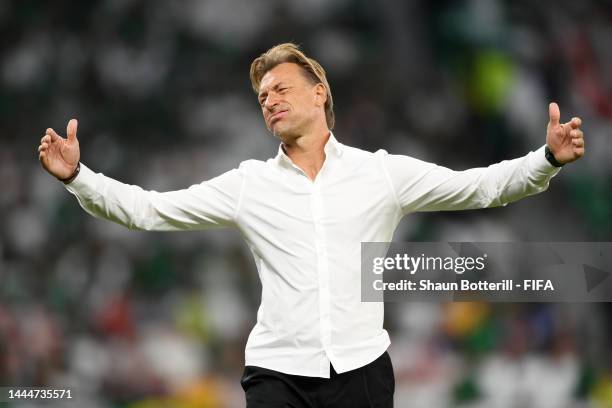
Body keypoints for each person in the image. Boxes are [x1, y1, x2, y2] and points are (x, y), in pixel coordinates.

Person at [37, 43, 585, 407]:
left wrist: (547, 159)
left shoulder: (381, 173)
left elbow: (481, 187)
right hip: (277, 375)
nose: (269, 101)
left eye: (280, 88)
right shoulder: (249, 183)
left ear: (320, 92)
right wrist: (77, 175)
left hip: (363, 372)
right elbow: (147, 210)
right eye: (262, 97)